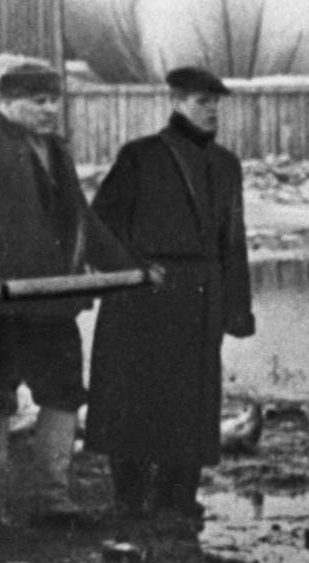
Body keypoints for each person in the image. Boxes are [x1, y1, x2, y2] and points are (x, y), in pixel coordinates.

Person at [0, 62, 140, 527]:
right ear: (5, 103)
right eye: (38, 101)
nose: (50, 109)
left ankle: (53, 496)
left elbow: (82, 221)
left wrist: (127, 267)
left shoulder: (56, 150)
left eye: (54, 100)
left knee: (65, 389)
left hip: (52, 298)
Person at [88, 64, 255, 523]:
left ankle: (178, 499)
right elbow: (100, 225)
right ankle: (130, 499)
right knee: (134, 398)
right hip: (143, 297)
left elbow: (232, 242)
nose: (212, 111)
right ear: (176, 102)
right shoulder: (141, 156)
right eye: (203, 102)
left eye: (216, 103)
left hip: (201, 297)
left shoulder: (225, 165)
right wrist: (130, 272)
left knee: (193, 401)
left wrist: (236, 309)